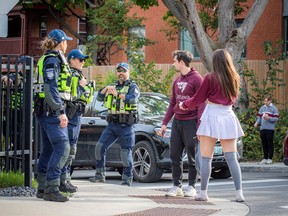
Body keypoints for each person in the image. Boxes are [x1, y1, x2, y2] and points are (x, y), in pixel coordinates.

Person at [179, 49, 245, 202]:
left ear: (215, 62)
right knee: (232, 158)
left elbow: (198, 98)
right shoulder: (234, 78)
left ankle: (203, 192)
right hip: (228, 116)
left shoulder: (210, 77)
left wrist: (184, 105)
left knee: (206, 158)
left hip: (212, 116)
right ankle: (239, 193)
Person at [34, 29, 73, 202]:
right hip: (51, 112)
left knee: (49, 149)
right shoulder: (52, 60)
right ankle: (51, 188)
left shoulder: (49, 58)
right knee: (63, 147)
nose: (67, 44)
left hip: (45, 111)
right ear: (60, 42)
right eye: (66, 41)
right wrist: (60, 112)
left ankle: (42, 187)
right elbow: (51, 89)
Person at [159, 50, 204, 197]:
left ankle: (191, 186)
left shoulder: (197, 79)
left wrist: (199, 126)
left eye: (174, 61)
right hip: (177, 122)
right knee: (175, 155)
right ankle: (176, 185)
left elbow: (202, 105)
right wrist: (165, 122)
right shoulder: (177, 81)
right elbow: (173, 102)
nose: (173, 64)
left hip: (191, 123)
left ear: (181, 62)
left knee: (191, 156)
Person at [89, 62, 140, 186]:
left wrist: (117, 94)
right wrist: (105, 89)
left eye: (124, 71)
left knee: (125, 153)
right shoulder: (112, 86)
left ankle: (127, 179)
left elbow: (133, 99)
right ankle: (99, 175)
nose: (121, 73)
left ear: (128, 72)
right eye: (119, 71)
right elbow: (100, 98)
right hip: (112, 125)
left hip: (125, 125)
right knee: (99, 148)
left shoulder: (133, 86)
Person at [59, 49, 95, 193]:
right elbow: (69, 96)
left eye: (84, 60)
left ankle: (66, 179)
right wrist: (82, 86)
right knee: (68, 148)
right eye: (81, 60)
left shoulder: (79, 75)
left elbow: (87, 99)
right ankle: (62, 180)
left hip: (78, 115)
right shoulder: (70, 74)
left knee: (72, 149)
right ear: (72, 60)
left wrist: (88, 87)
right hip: (71, 114)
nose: (83, 62)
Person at [254, 95, 279, 165]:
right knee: (264, 144)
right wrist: (256, 123)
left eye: (267, 101)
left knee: (270, 144)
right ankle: (265, 158)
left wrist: (269, 118)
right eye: (264, 101)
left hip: (270, 129)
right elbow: (259, 117)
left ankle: (270, 159)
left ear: (270, 101)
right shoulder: (262, 108)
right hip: (262, 129)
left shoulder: (274, 108)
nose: (265, 102)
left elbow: (276, 119)